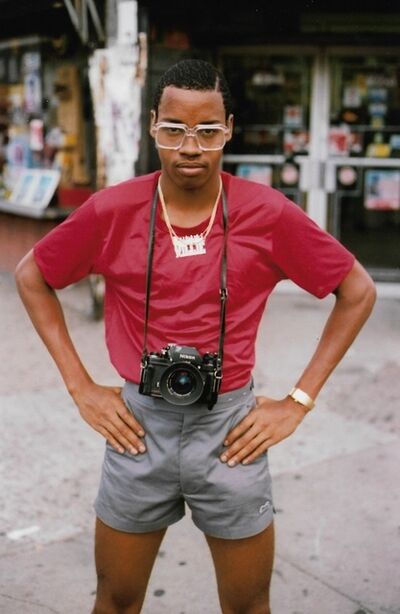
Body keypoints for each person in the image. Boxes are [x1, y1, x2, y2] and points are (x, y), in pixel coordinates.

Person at [15, 59, 376, 614]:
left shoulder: (266, 212)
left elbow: (357, 290)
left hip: (231, 428)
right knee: (114, 599)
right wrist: (80, 387)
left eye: (208, 131)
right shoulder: (114, 209)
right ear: (152, 126)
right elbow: (32, 275)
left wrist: (298, 402)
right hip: (138, 426)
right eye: (174, 130)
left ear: (229, 128)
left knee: (250, 604)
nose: (190, 147)